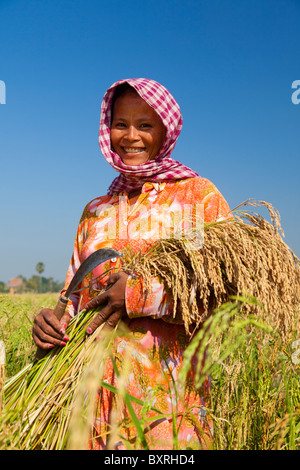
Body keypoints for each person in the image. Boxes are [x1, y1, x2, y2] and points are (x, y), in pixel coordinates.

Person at [32, 78, 231, 450]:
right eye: (121, 124)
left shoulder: (192, 199)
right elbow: (74, 298)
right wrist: (54, 322)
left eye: (145, 125)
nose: (131, 137)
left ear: (166, 130)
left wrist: (140, 295)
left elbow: (213, 292)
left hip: (167, 409)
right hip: (91, 404)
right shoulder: (97, 211)